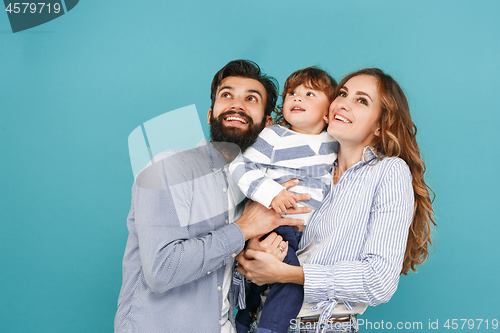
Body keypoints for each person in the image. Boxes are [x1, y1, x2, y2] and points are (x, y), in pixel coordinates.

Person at [114, 59, 312, 333]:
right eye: (226, 95)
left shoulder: (255, 191)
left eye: (251, 99)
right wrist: (243, 229)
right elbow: (162, 270)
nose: (237, 104)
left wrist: (254, 259)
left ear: (268, 124)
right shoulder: (168, 169)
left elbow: (226, 278)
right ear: (210, 114)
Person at [236, 68, 436, 333]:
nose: (343, 102)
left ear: (380, 125)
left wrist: (288, 274)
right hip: (253, 320)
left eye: (361, 100)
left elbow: (379, 282)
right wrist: (255, 249)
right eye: (342, 94)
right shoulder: (306, 163)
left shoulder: (388, 171)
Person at [229, 67, 338, 333]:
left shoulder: (334, 143)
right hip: (275, 223)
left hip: (306, 234)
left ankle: (244, 322)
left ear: (328, 112)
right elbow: (240, 166)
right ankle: (270, 328)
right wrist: (272, 193)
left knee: (267, 282)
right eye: (292, 93)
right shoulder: (275, 136)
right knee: (289, 280)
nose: (297, 98)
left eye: (309, 93)